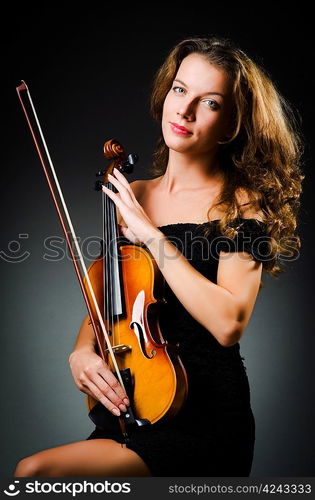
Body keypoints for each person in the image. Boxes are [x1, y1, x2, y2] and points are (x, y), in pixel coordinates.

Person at [14, 35, 304, 477]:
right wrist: (80, 353)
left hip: (206, 419)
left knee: (36, 475)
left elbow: (229, 324)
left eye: (209, 102)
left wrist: (151, 235)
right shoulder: (135, 194)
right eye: (180, 90)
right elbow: (111, 303)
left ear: (230, 124)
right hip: (140, 407)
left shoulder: (243, 204)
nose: (184, 111)